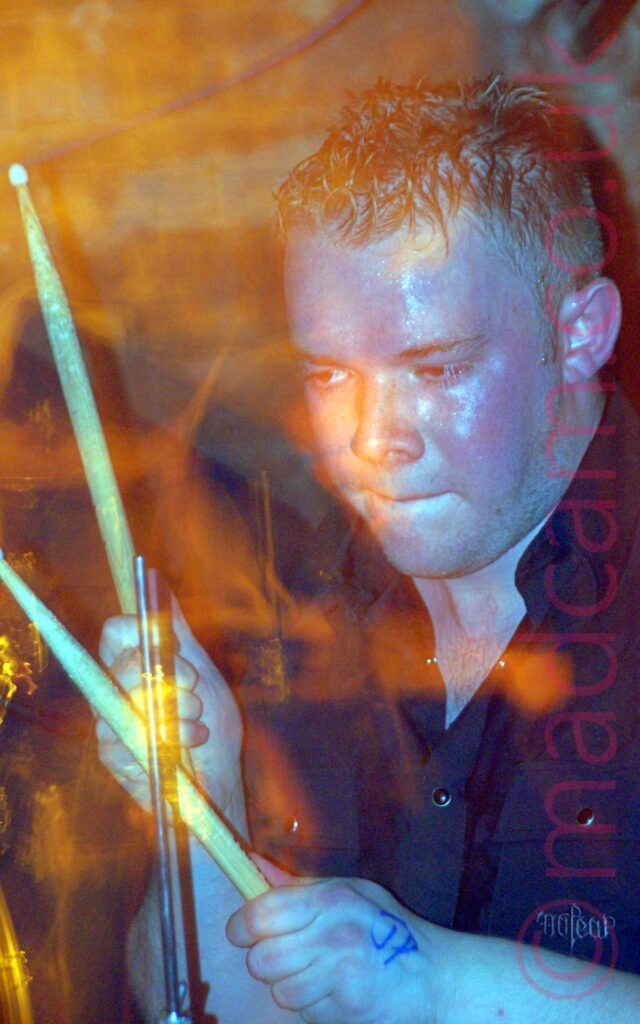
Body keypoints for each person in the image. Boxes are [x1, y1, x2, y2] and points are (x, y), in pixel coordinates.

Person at [97, 76, 640, 1022]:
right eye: (328, 373)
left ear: (581, 333)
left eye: (436, 367)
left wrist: (436, 984)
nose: (369, 439)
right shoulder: (301, 603)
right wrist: (200, 805)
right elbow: (207, 1005)